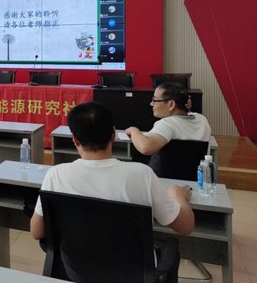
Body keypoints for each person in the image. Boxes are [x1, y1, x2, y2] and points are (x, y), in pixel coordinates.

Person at [30, 101, 194, 241]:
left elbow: (37, 232)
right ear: (113, 135)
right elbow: (185, 226)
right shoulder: (141, 174)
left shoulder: (56, 174)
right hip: (132, 268)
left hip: (74, 266)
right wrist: (178, 196)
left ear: (75, 140)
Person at [125, 82, 212, 156]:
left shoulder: (168, 124)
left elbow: (145, 147)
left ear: (171, 104)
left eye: (154, 100)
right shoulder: (202, 119)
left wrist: (133, 130)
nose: (151, 104)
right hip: (198, 171)